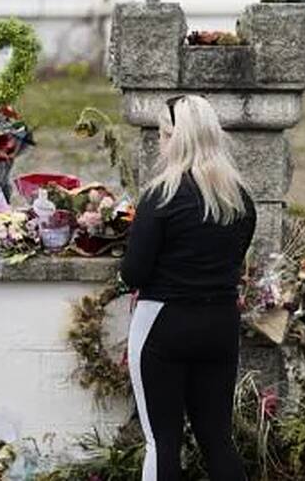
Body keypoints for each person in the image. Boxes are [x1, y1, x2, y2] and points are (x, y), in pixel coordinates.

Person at [121, 95, 256, 481]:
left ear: (174, 138)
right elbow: (236, 261)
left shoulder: (161, 195)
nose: (160, 144)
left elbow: (134, 272)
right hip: (220, 323)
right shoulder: (240, 198)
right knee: (217, 438)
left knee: (162, 441)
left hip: (164, 322)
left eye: (163, 136)